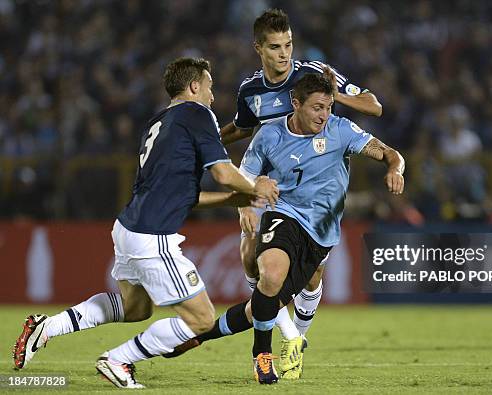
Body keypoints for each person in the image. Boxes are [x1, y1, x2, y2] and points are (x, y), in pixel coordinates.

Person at [12, 57, 279, 389]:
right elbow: (223, 173)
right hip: (152, 237)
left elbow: (183, 195)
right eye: (209, 87)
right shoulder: (197, 114)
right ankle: (118, 360)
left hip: (127, 227)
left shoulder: (159, 122)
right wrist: (256, 187)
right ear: (194, 86)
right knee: (201, 319)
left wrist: (231, 201)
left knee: (134, 307)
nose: (213, 96)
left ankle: (47, 327)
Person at [167, 72, 404, 384]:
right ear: (296, 104)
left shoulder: (341, 130)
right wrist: (246, 208)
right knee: (272, 273)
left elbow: (389, 152)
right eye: (318, 108)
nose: (325, 115)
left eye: (329, 107)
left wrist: (395, 168)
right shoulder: (269, 136)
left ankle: (204, 334)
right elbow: (246, 177)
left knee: (265, 307)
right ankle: (262, 357)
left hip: (323, 228)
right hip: (284, 212)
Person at [220, 8, 384, 379]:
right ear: (258, 48)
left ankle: (298, 337)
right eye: (275, 47)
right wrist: (208, 139)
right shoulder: (250, 90)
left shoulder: (313, 73)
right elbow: (243, 129)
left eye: (289, 45)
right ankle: (274, 342)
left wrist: (333, 93)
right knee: (255, 262)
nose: (284, 53)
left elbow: (374, 105)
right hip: (270, 189)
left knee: (311, 279)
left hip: (315, 192)